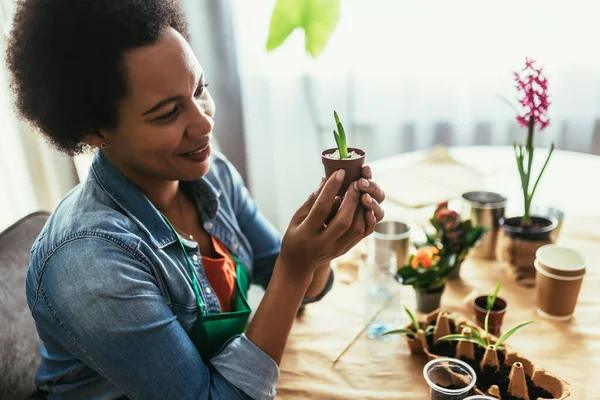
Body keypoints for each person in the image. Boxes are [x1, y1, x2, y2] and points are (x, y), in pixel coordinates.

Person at [6, 0, 386, 399]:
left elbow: (298, 284)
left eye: (199, 89)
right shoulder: (89, 263)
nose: (204, 122)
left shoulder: (211, 175)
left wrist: (320, 250)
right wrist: (296, 268)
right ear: (93, 130)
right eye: (168, 113)